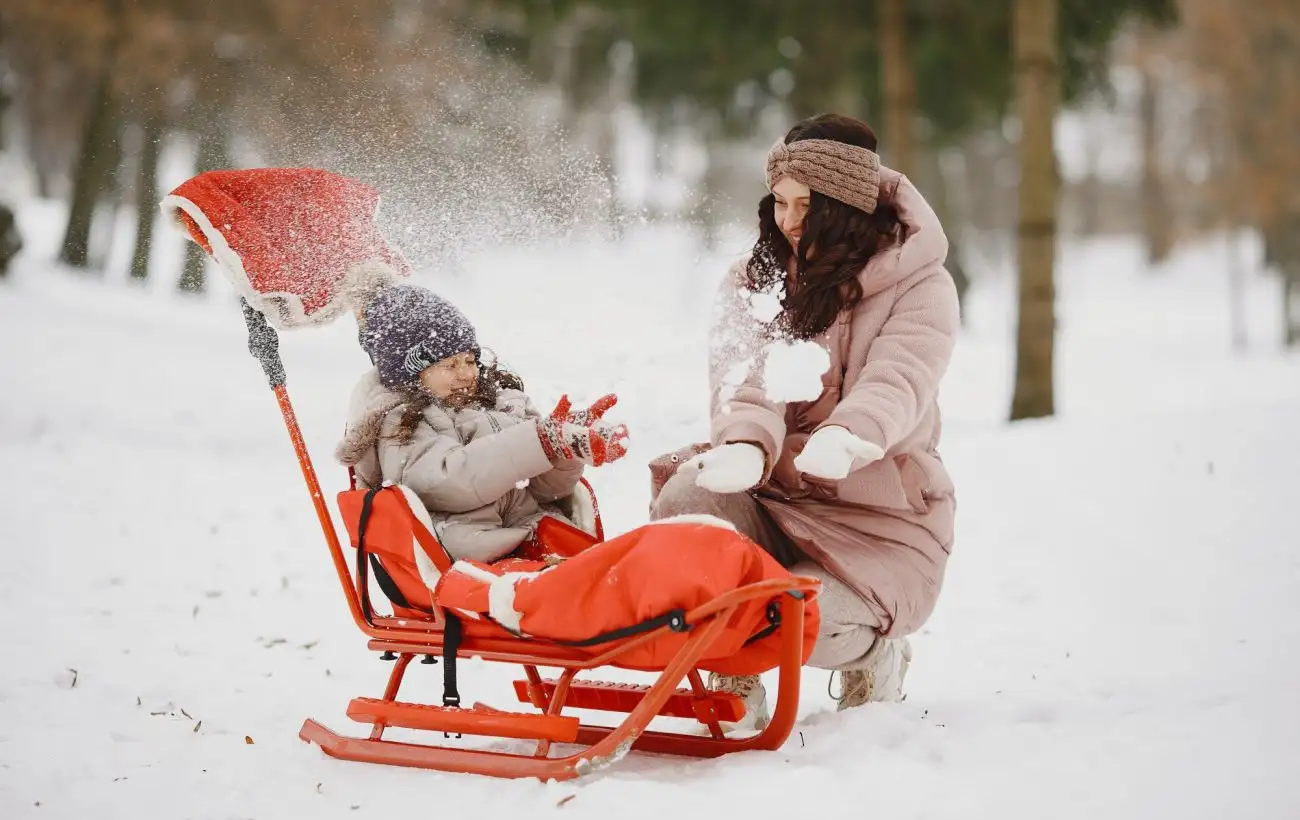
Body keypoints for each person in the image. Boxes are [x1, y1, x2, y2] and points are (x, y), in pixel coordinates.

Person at [649, 113, 960, 727]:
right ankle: (731, 666)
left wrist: (850, 435)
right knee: (690, 497)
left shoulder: (922, 285)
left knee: (799, 618)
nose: (789, 222)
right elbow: (745, 376)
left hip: (874, 521)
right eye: (780, 204)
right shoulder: (754, 279)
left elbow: (900, 378)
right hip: (772, 496)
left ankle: (876, 653)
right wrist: (744, 441)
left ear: (845, 205)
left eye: (806, 206)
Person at [337, 284, 629, 564]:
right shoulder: (404, 422)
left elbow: (544, 491)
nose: (466, 375)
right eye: (450, 366)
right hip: (472, 559)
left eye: (469, 360)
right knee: (580, 591)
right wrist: (539, 441)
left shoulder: (504, 403)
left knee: (626, 568)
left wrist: (566, 447)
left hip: (539, 540)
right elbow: (448, 481)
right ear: (410, 374)